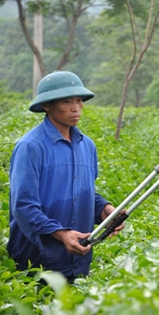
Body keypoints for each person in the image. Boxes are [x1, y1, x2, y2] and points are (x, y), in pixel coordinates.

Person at [7, 71, 124, 283]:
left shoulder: (86, 145)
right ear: (46, 106)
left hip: (78, 257)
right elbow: (23, 206)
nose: (76, 108)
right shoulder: (30, 147)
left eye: (79, 100)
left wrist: (104, 209)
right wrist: (61, 234)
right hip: (37, 258)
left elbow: (83, 191)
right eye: (67, 101)